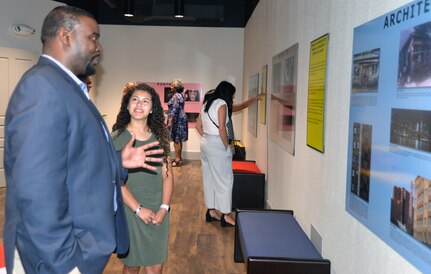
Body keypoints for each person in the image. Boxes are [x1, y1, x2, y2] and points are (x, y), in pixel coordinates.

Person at [3, 6, 164, 274]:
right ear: (66, 36)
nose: (99, 47)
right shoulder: (42, 88)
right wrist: (67, 263)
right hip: (55, 260)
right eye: (93, 37)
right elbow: (36, 192)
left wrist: (117, 161)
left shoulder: (64, 87)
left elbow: (70, 159)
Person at [112, 83, 173, 274]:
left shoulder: (160, 137)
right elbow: (115, 182)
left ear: (152, 108)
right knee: (132, 265)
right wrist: (138, 209)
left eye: (145, 101)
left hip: (158, 211)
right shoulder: (116, 138)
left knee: (156, 265)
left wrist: (164, 207)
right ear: (127, 105)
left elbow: (168, 176)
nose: (139, 105)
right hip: (131, 211)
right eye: (135, 100)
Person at [195, 81, 237, 227]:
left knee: (210, 178)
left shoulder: (207, 103)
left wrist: (207, 138)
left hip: (205, 143)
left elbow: (197, 126)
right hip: (218, 144)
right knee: (225, 179)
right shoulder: (222, 104)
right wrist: (226, 147)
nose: (233, 98)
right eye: (232, 95)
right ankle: (226, 215)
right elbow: (222, 129)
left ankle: (211, 211)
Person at [166, 79, 188, 167]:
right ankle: (179, 158)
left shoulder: (176, 96)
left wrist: (170, 121)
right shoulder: (180, 95)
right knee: (178, 139)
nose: (170, 87)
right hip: (180, 119)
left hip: (177, 120)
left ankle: (177, 159)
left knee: (176, 140)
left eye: (171, 85)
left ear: (175, 87)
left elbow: (175, 109)